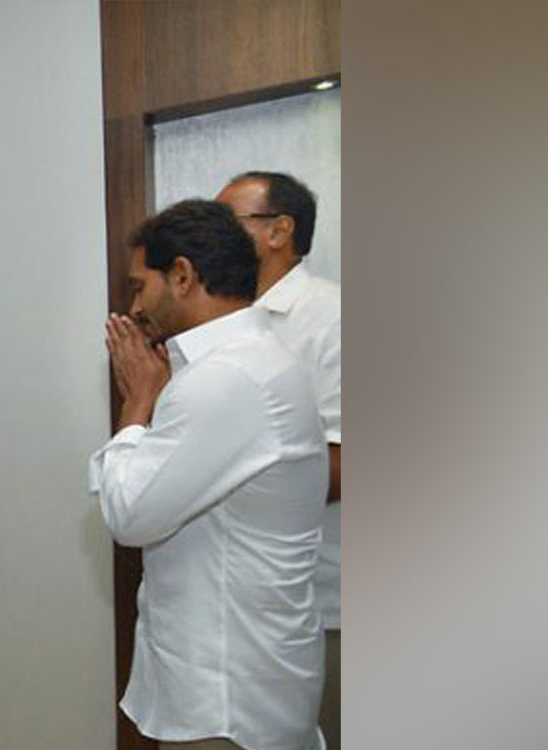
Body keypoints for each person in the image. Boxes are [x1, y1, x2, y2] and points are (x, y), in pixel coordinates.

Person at [90, 200, 327, 750]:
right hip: (239, 677)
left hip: (226, 697)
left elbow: (130, 515)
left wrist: (136, 409)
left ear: (182, 275)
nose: (132, 307)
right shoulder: (248, 360)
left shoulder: (225, 379)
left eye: (138, 287)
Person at [216, 172, 342, 749]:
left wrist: (219, 485)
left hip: (325, 598)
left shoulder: (333, 317)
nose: (213, 234)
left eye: (229, 220)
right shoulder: (223, 319)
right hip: (236, 604)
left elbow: (344, 461)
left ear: (279, 231)